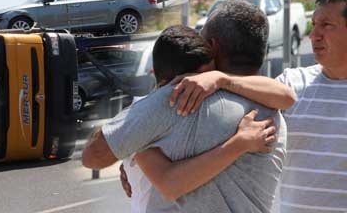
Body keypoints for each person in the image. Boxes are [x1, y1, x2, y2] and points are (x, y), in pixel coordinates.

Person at [82, 0, 289, 212]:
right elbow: (288, 96)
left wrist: (133, 141)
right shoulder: (274, 112)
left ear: (212, 45)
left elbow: (93, 156)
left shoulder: (180, 98)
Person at [118, 25, 280, 212]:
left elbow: (286, 95)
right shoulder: (141, 117)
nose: (208, 92)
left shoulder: (201, 108)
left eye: (209, 82)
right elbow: (171, 184)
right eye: (196, 87)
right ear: (169, 84)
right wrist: (240, 143)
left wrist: (220, 79)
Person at [275, 0, 347, 212]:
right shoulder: (291, 82)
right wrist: (219, 79)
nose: (313, 35)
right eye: (314, 24)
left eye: (326, 25)